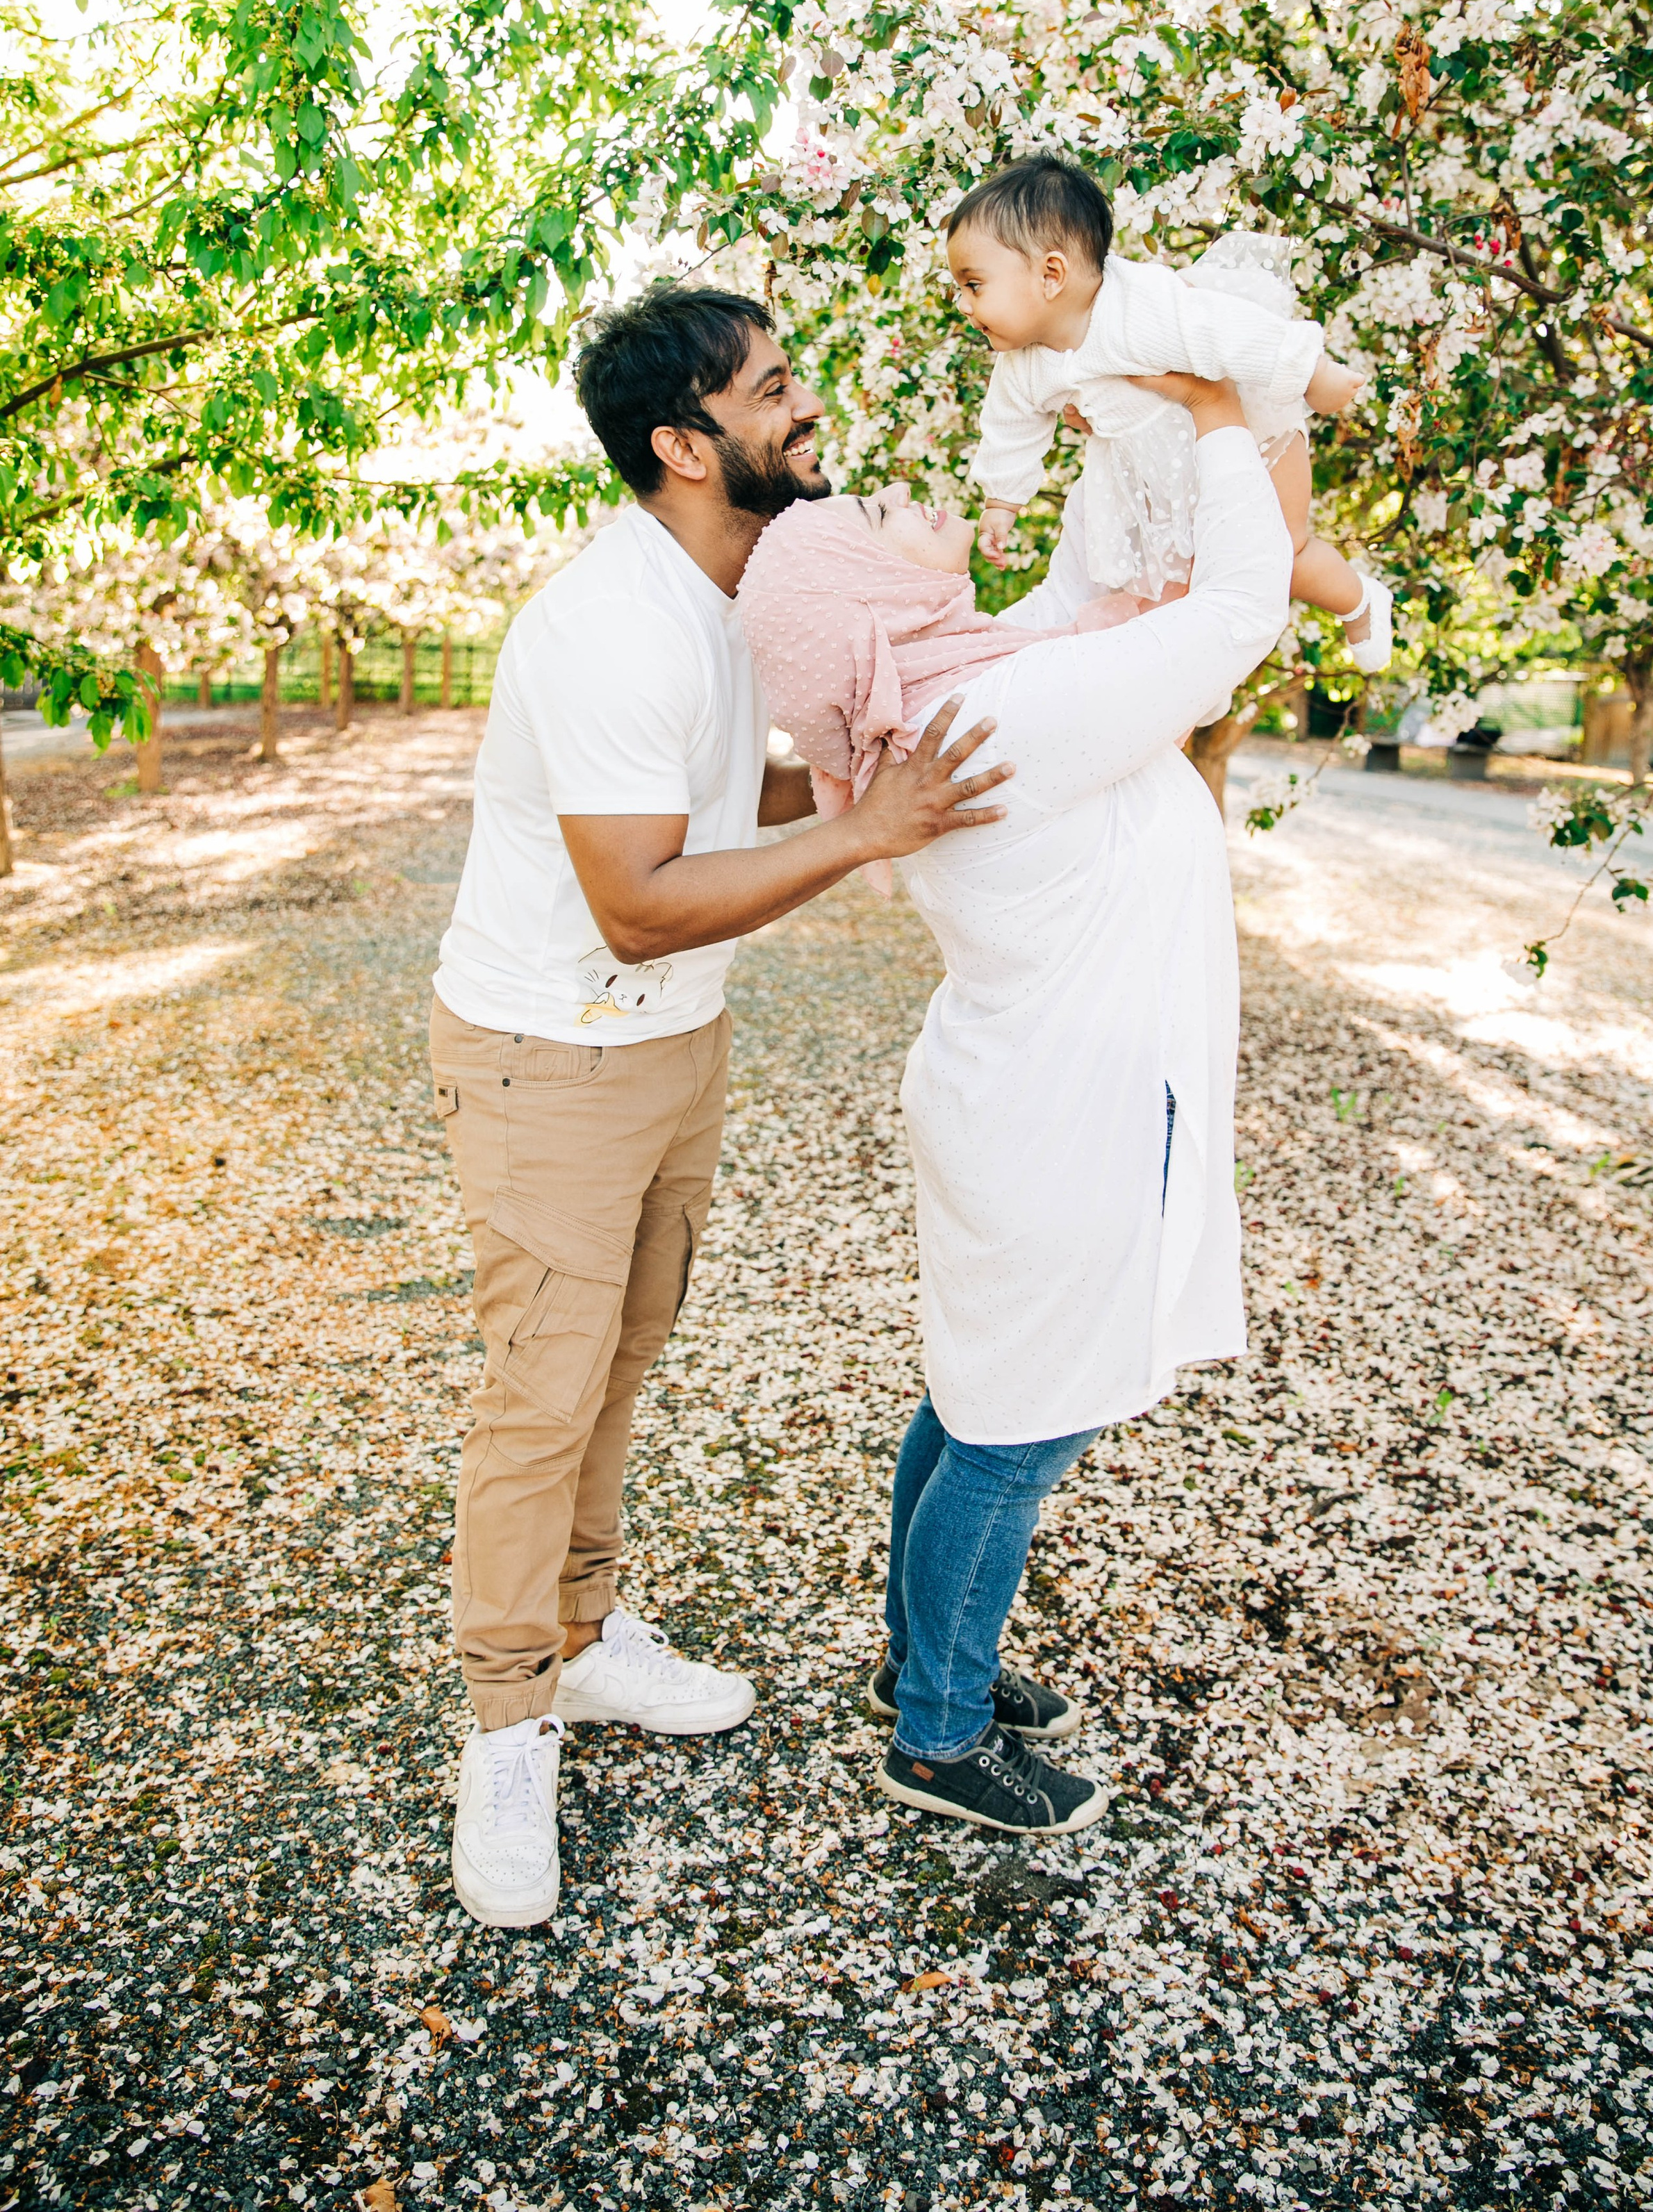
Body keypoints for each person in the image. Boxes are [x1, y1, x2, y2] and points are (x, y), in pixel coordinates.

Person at [431, 285, 1014, 1926]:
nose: (799, 408)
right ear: (684, 446)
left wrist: (840, 782)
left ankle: (588, 1631)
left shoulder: (735, 586)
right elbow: (638, 894)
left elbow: (705, 793)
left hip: (669, 1047)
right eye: (770, 393)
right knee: (537, 1398)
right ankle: (504, 1729)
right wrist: (864, 831)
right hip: (552, 1055)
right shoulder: (608, 620)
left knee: (619, 1356)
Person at [736, 365, 1291, 1833]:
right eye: (878, 511)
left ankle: (921, 1658)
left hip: (1030, 1094)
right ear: (869, 602)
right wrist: (1227, 420)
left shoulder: (948, 697)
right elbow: (1234, 617)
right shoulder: (1007, 711)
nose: (906, 486)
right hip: (1062, 1113)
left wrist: (1112, 419)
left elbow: (1076, 601)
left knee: (976, 1398)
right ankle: (937, 1730)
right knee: (1014, 1433)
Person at [951, 153, 1392, 668]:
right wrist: (1002, 503)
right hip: (1154, 482)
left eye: (973, 285)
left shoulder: (1142, 307)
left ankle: (1359, 602)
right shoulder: (1022, 362)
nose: (962, 304)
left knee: (1283, 555)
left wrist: (1313, 374)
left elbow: (1228, 329)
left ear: (1052, 275)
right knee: (1181, 590)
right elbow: (1010, 427)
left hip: (1251, 441)